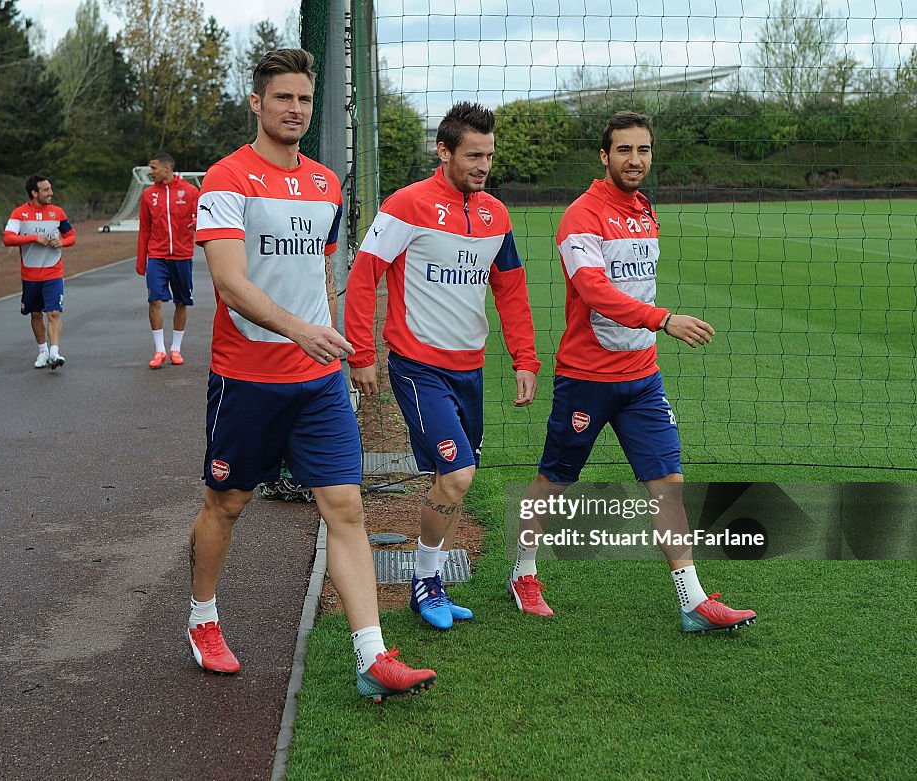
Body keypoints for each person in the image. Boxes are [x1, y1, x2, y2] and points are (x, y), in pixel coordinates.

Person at [186, 48, 436, 702]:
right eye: (283, 99)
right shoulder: (226, 179)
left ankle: (372, 654)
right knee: (228, 502)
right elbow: (230, 284)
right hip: (248, 377)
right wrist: (299, 329)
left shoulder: (326, 183)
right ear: (256, 102)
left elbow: (320, 276)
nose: (295, 110)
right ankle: (203, 617)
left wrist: (341, 347)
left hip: (317, 381)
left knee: (346, 505)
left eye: (304, 99)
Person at [509, 111, 757, 634]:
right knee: (554, 480)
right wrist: (663, 319)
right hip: (587, 377)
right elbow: (595, 291)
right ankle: (524, 572)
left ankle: (692, 601)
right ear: (605, 156)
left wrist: (652, 329)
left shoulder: (645, 211)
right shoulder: (581, 216)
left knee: (667, 482)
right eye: (624, 150)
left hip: (642, 377)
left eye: (643, 150)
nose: (635, 160)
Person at [345, 101, 541, 631]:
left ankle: (431, 584)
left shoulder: (496, 214)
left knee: (450, 480)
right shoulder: (406, 205)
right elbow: (364, 277)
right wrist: (361, 355)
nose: (483, 165)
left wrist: (525, 358)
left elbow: (512, 292)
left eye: (489, 156)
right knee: (456, 475)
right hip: (417, 366)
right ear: (444, 150)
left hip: (469, 370)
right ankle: (425, 582)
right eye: (473, 155)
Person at [3, 175, 75, 370]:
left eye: (50, 189)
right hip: (31, 275)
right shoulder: (19, 213)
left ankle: (55, 352)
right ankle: (43, 351)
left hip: (53, 273)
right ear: (34, 193)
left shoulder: (57, 213)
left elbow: (71, 236)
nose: (51, 193)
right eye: (46, 190)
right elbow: (7, 238)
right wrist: (34, 238)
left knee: (53, 312)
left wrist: (61, 242)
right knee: (36, 314)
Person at [136, 152, 199, 369]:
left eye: (153, 168)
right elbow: (144, 228)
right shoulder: (148, 195)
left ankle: (176, 349)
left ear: (167, 168)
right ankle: (159, 350)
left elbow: (203, 217)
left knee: (181, 302)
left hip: (182, 255)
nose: (150, 172)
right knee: (154, 299)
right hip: (157, 255)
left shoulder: (190, 191)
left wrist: (197, 223)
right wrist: (141, 259)